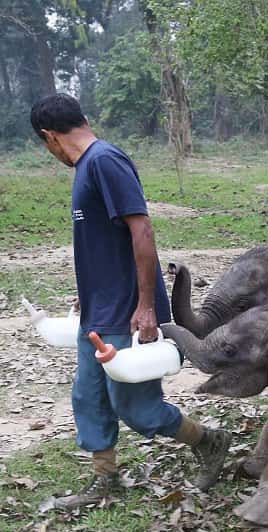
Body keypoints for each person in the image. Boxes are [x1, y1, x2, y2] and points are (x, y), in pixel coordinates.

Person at [29, 94, 232, 507]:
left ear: (49, 136)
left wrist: (146, 305)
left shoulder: (105, 161)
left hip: (127, 311)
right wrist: (89, 290)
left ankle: (209, 441)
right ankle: (104, 479)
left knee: (137, 408)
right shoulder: (88, 167)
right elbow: (107, 243)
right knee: (90, 396)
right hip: (98, 310)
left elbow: (142, 231)